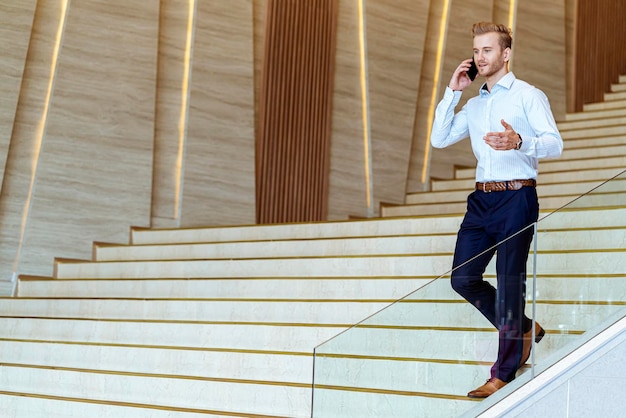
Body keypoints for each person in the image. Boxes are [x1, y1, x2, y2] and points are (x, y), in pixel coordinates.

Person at [430, 22, 563, 398]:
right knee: (462, 278)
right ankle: (522, 327)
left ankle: (503, 371)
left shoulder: (527, 96)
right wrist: (451, 93)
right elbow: (439, 140)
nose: (479, 57)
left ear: (506, 54)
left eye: (487, 50)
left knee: (508, 282)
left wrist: (519, 141)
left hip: (517, 197)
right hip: (481, 200)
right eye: (476, 51)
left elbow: (555, 144)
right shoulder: (474, 104)